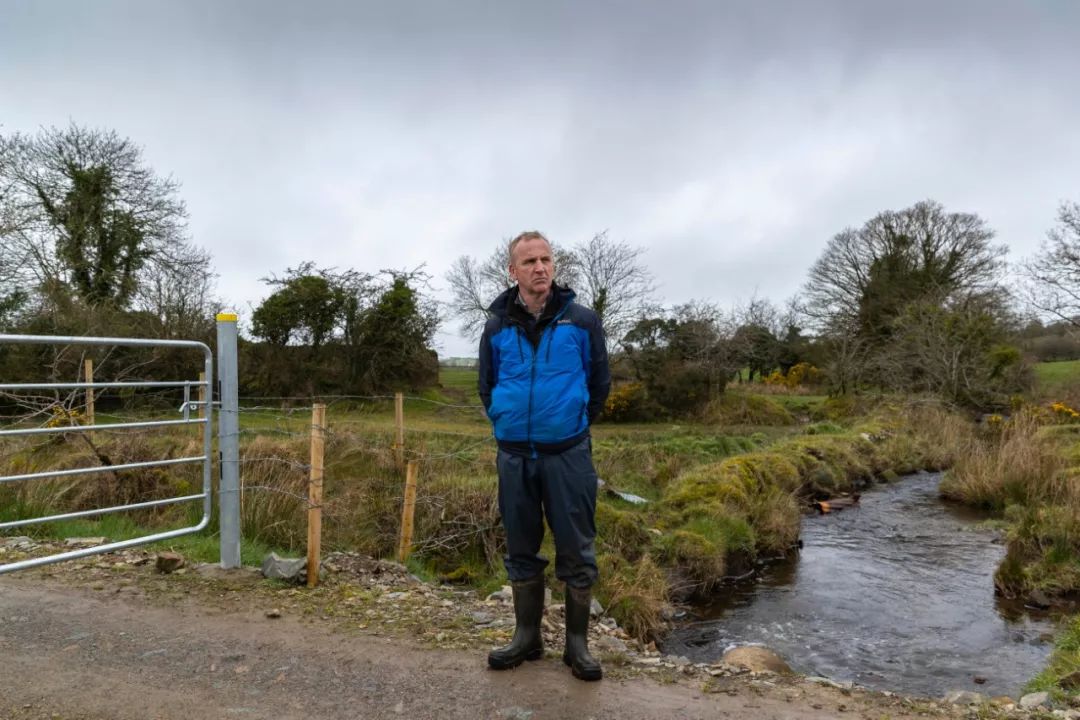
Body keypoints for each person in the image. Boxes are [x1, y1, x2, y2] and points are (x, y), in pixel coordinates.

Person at [478, 230, 610, 681]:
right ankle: (526, 636)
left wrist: (571, 423)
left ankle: (577, 646)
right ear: (512, 271)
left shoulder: (583, 321)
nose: (540, 267)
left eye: (546, 259)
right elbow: (486, 385)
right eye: (530, 261)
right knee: (521, 545)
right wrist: (503, 419)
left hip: (568, 455)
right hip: (514, 456)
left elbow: (599, 386)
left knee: (576, 545)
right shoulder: (496, 326)